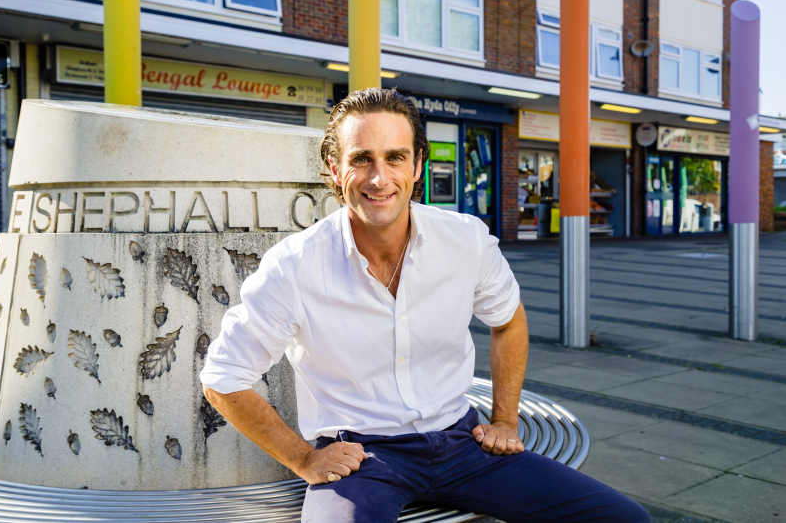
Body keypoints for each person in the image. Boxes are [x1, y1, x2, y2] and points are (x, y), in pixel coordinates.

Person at [201, 88, 649, 523]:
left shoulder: (465, 239)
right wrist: (302, 458)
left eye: (395, 157)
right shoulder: (293, 266)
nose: (380, 178)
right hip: (363, 459)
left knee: (624, 518)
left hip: (464, 443)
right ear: (335, 170)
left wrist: (506, 421)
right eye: (362, 159)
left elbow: (508, 321)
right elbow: (223, 378)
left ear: (417, 165)